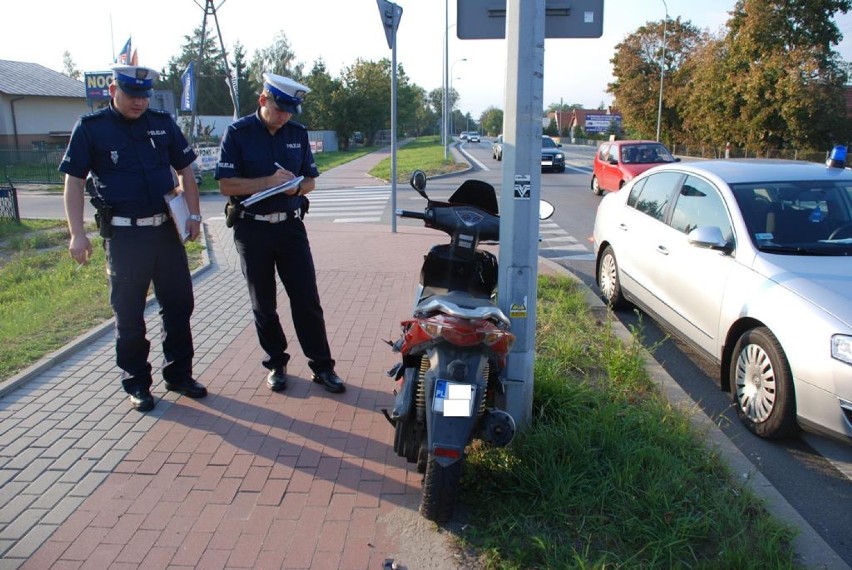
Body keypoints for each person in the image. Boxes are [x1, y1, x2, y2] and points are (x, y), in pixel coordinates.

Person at [59, 64, 208, 412]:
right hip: (125, 238)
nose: (139, 102)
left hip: (165, 231)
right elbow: (74, 182)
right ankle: (138, 382)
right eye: (131, 95)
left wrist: (195, 214)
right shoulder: (91, 129)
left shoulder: (162, 123)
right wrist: (76, 234)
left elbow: (185, 170)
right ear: (113, 90)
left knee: (179, 306)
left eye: (143, 95)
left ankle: (179, 375)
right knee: (129, 315)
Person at [215, 72, 345, 394]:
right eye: (280, 108)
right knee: (264, 304)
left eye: (290, 110)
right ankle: (276, 363)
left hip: (290, 228)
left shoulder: (297, 134)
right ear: (263, 100)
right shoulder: (238, 134)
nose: (285, 116)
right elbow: (226, 185)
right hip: (253, 230)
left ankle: (322, 367)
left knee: (306, 300)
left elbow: (311, 179)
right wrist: (269, 181)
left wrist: (298, 187)